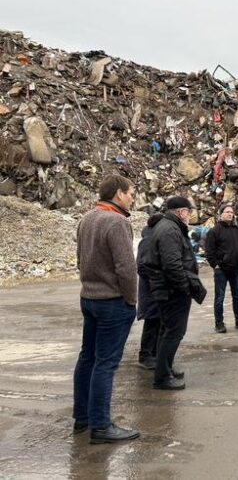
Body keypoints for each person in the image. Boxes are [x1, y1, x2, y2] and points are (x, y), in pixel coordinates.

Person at [73, 173, 140, 444]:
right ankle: (101, 426)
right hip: (112, 302)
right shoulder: (117, 222)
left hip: (88, 298)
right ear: (118, 194)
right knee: (105, 364)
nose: (132, 197)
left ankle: (83, 417)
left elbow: (80, 260)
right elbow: (126, 267)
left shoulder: (86, 219)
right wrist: (131, 299)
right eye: (131, 192)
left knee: (87, 358)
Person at [140, 196, 207, 390]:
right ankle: (162, 377)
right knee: (173, 332)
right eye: (189, 211)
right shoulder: (170, 229)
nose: (190, 215)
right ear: (181, 212)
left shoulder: (168, 226)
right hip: (172, 291)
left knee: (167, 331)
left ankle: (166, 369)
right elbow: (172, 265)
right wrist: (185, 288)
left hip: (169, 290)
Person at [205, 202, 238, 333]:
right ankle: (219, 323)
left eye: (231, 212)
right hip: (222, 271)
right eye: (227, 212)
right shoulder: (214, 231)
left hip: (236, 269)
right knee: (219, 297)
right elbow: (209, 251)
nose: (230, 214)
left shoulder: (237, 230)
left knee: (237, 296)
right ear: (221, 214)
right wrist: (216, 265)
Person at [136, 212, 164, 370]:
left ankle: (153, 354)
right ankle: (145, 355)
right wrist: (158, 279)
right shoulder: (148, 241)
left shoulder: (155, 239)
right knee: (152, 322)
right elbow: (142, 267)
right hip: (151, 291)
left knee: (158, 322)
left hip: (156, 290)